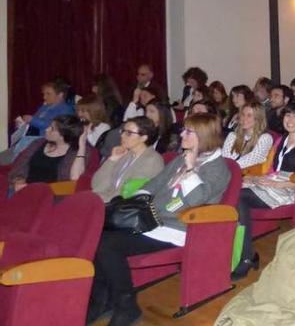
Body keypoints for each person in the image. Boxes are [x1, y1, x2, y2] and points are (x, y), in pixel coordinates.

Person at [87, 113, 231, 326]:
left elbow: (197, 199)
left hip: (176, 228)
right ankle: (102, 300)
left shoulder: (218, 168)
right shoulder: (183, 157)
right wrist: (133, 203)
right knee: (99, 234)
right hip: (151, 219)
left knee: (107, 245)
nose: (181, 134)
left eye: (188, 131)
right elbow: (155, 183)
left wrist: (191, 170)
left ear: (203, 136)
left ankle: (126, 306)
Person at [235, 103, 295, 278]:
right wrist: (257, 178)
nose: (290, 120)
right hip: (273, 183)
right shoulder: (281, 140)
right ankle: (242, 254)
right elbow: (271, 170)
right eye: (287, 115)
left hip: (293, 188)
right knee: (234, 191)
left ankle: (246, 257)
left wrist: (282, 184)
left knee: (239, 197)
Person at [7, 115, 90, 193]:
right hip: (24, 190)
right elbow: (19, 165)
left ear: (63, 135)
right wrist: (19, 180)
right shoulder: (38, 143)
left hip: (52, 195)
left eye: (52, 128)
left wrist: (82, 144)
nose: (47, 129)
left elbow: (74, 179)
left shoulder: (77, 152)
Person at [90, 117, 164, 202]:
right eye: (123, 131)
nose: (122, 135)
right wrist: (112, 160)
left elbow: (126, 194)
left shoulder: (152, 160)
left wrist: (99, 200)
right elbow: (96, 184)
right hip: (105, 201)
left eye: (128, 133)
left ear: (143, 138)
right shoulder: (127, 154)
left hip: (120, 207)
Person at [222, 100, 274, 170]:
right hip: (229, 172)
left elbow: (252, 159)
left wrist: (228, 168)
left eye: (249, 115)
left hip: (250, 176)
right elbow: (225, 159)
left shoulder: (265, 138)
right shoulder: (233, 136)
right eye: (243, 114)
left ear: (258, 119)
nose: (244, 118)